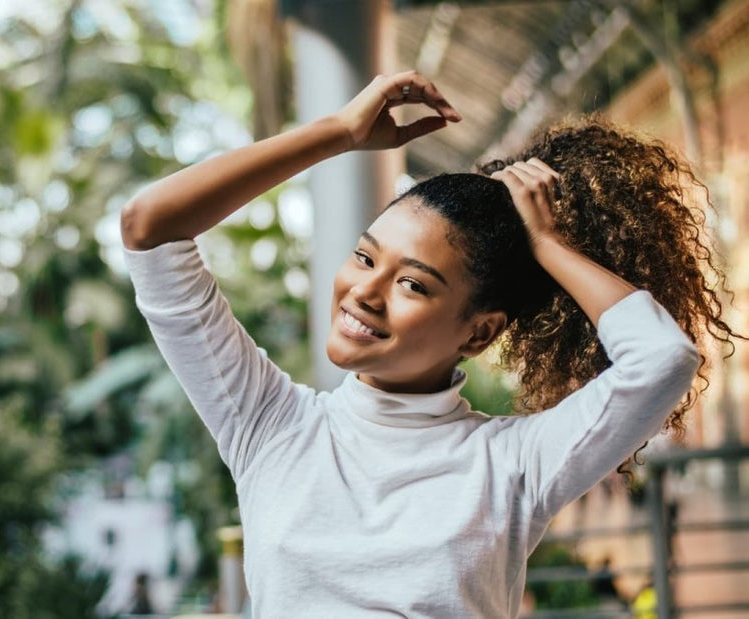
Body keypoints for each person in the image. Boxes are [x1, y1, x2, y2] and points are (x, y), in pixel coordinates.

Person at [119, 71, 735, 617]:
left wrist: (547, 245)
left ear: (480, 331)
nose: (365, 291)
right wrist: (340, 134)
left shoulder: (512, 466)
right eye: (364, 256)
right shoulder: (268, 424)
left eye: (413, 283)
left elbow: (662, 359)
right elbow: (150, 229)